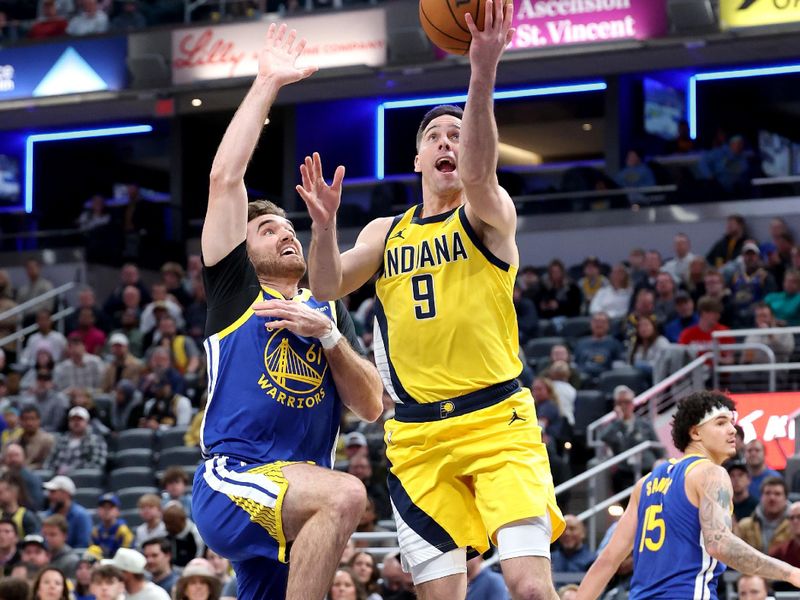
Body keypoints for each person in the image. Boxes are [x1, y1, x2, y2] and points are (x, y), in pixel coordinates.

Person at [299, 2, 564, 597]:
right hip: (418, 437)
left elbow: (477, 171)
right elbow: (325, 286)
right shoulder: (384, 232)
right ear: (416, 159)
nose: (447, 143)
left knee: (528, 587)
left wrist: (481, 70)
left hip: (499, 421)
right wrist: (322, 228)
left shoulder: (489, 214)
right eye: (433, 137)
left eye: (455, 134)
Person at [192, 22, 383, 600]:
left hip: (297, 500)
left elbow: (372, 405)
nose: (286, 235)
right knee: (347, 494)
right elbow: (225, 178)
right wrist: (268, 82)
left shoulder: (326, 306)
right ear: (242, 252)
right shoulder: (235, 290)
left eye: (288, 227)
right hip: (238, 478)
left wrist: (328, 336)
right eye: (267, 229)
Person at [575, 391, 800, 599]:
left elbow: (607, 560)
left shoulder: (645, 483)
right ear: (695, 432)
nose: (732, 430)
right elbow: (720, 545)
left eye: (731, 422)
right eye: (721, 423)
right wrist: (790, 572)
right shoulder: (711, 473)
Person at [737, 477, 791, 554]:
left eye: (777, 494)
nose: (772, 498)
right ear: (761, 497)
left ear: (786, 499)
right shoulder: (744, 526)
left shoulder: (795, 527)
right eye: (767, 493)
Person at [101, 547, 170, 600]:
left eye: (115, 571)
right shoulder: (119, 594)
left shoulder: (157, 596)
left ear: (127, 574)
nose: (112, 574)